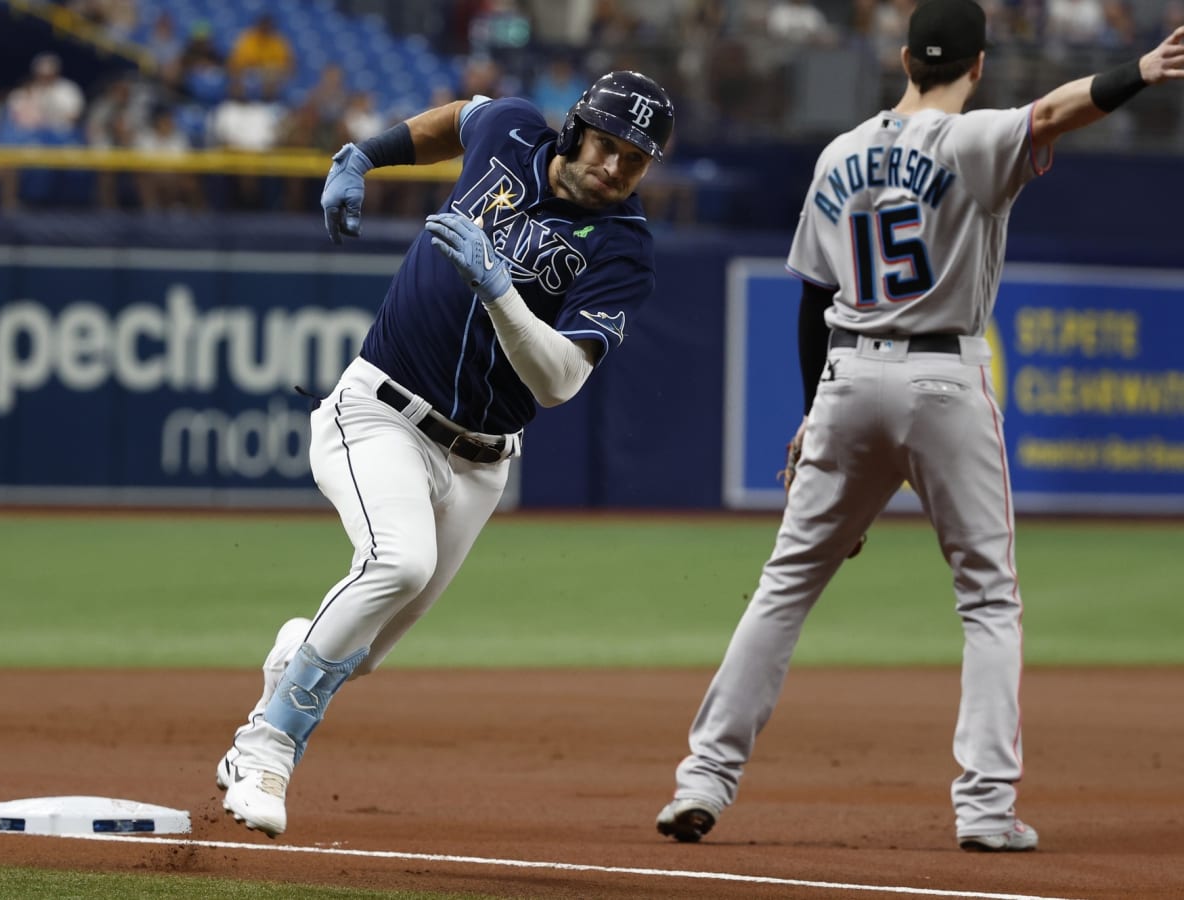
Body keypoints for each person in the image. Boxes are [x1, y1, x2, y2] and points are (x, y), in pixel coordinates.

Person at [655, 0, 1184, 852]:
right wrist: (1140, 73)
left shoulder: (837, 153)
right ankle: (982, 809)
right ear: (978, 66)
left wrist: (808, 413)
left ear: (904, 59)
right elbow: (1053, 112)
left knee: (784, 588)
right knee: (988, 598)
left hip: (848, 371)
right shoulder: (972, 141)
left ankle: (702, 781)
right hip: (944, 376)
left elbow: (811, 296)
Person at [216, 70, 675, 837]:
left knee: (357, 655)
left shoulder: (623, 248)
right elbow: (460, 118)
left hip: (481, 462)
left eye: (637, 159)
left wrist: (501, 288)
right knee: (398, 563)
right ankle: (264, 746)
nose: (617, 167)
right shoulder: (516, 130)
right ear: (576, 130)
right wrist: (363, 155)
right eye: (608, 145)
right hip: (380, 411)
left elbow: (560, 381)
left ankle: (298, 650)